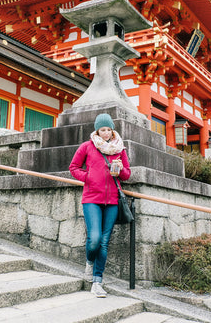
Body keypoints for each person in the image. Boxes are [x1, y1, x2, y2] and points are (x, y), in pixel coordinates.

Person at [69, 113, 131, 298]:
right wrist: (88, 177)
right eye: (102, 130)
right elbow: (73, 168)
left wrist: (120, 170)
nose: (105, 133)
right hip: (91, 199)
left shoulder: (120, 149)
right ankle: (89, 261)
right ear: (97, 130)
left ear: (112, 130)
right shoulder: (87, 147)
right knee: (94, 238)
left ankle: (97, 281)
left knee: (104, 242)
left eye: (108, 130)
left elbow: (127, 174)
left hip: (112, 201)